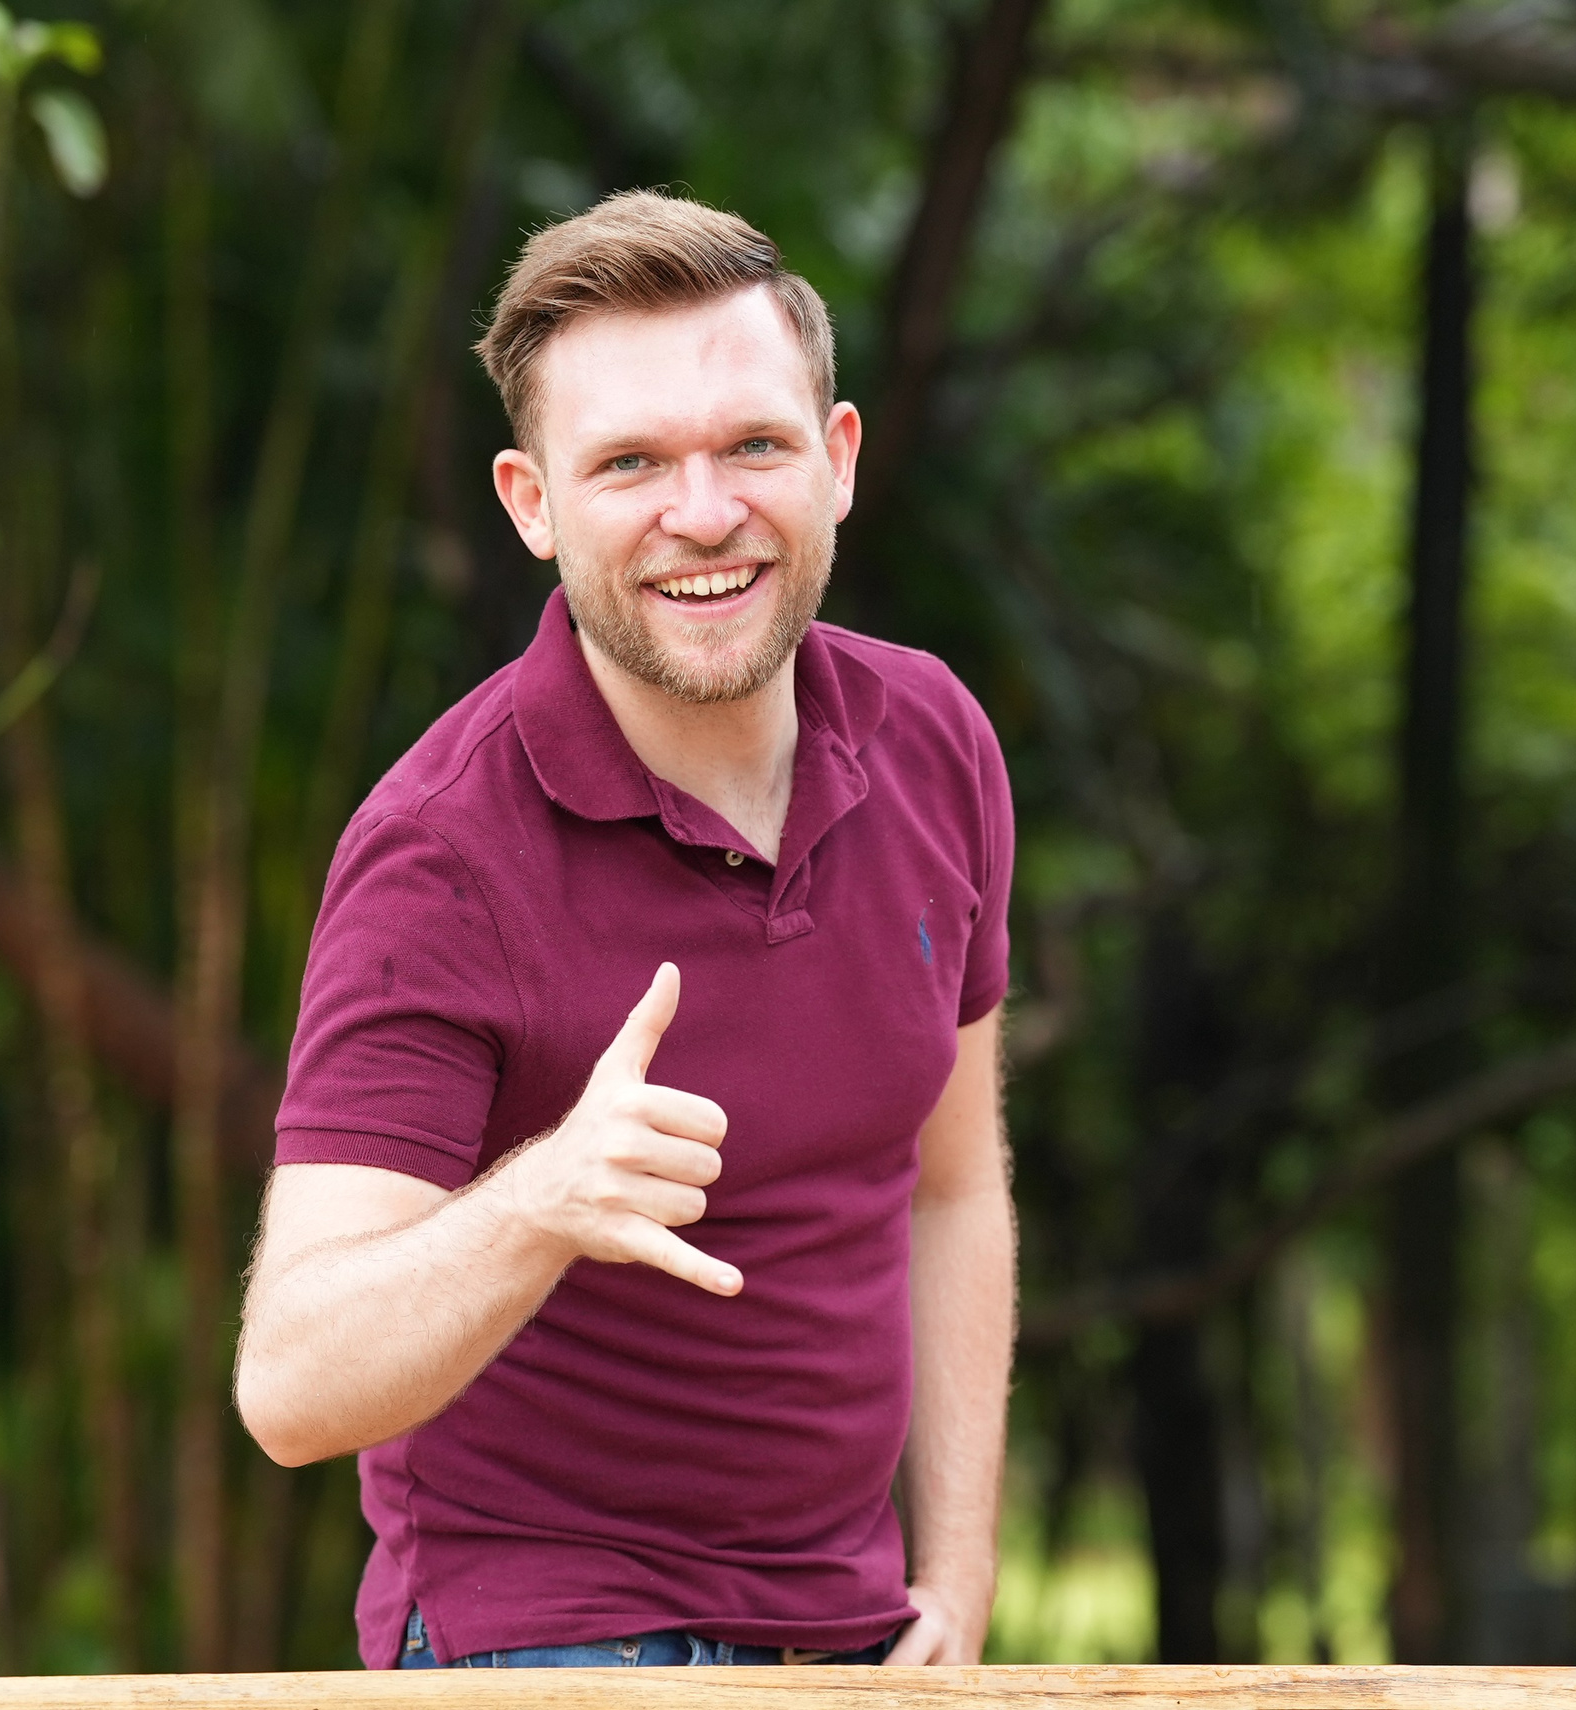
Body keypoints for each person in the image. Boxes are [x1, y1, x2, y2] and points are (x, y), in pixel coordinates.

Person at [234, 190, 1016, 1672]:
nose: (705, 511)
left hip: (859, 1634)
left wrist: (960, 1576)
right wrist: (541, 1202)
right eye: (632, 464)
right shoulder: (440, 854)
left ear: (838, 461)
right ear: (532, 503)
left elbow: (953, 1184)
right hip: (555, 1640)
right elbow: (291, 1382)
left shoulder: (937, 744)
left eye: (755, 447)